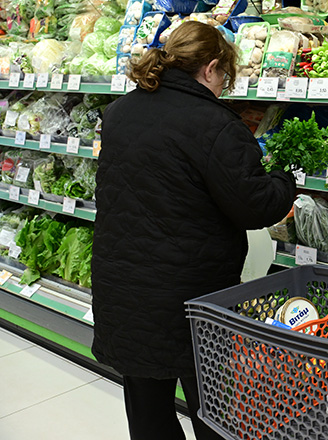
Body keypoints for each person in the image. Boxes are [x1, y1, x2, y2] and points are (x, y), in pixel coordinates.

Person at [91, 21, 296, 440]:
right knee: (212, 410)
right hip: (189, 296)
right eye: (225, 78)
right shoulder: (215, 125)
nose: (223, 87)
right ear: (211, 68)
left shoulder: (119, 112)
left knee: (148, 412)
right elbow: (254, 206)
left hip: (125, 286)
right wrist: (285, 180)